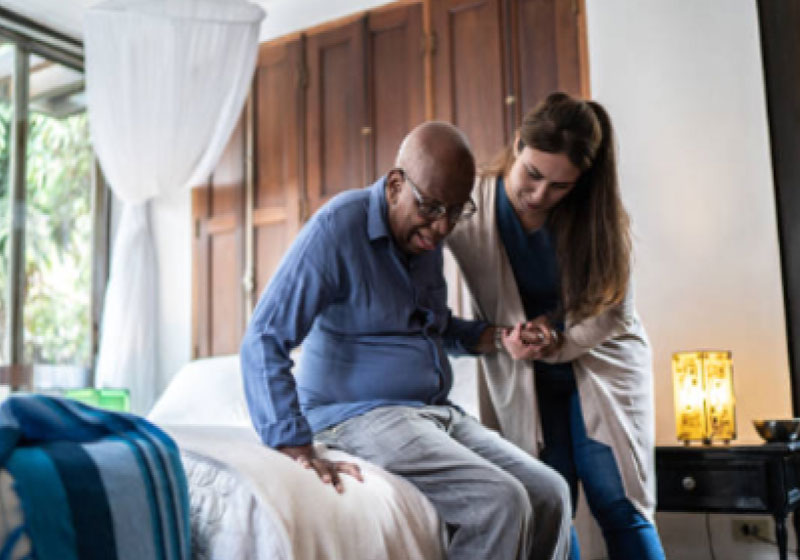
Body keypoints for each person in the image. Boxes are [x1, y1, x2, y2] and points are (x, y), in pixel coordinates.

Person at [240, 121, 571, 560]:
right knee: (499, 501)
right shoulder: (338, 228)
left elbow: (434, 327)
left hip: (433, 413)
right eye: (432, 208)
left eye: (456, 212)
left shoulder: (423, 245)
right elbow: (264, 337)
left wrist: (496, 337)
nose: (440, 229)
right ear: (396, 184)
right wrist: (292, 444)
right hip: (356, 416)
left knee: (551, 490)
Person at [446, 92, 666, 560]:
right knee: (548, 502)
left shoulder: (597, 219)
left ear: (581, 183)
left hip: (600, 361)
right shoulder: (470, 205)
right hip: (523, 370)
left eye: (560, 187)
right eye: (533, 174)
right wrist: (504, 341)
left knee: (618, 501)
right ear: (518, 144)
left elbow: (614, 312)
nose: (540, 194)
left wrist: (557, 341)